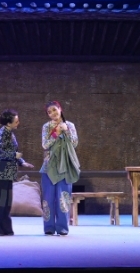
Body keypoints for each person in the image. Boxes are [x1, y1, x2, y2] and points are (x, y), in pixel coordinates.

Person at [0, 109, 34, 236]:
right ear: (8, 123)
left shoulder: (10, 133)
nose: (18, 123)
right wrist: (16, 156)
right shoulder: (1, 133)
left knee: (6, 202)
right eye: (16, 121)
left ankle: (5, 228)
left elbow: (14, 152)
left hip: (6, 172)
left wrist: (22, 161)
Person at [40, 100, 79, 236]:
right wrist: (56, 132)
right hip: (49, 166)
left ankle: (62, 227)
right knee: (48, 198)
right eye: (49, 112)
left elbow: (74, 143)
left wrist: (66, 130)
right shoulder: (46, 126)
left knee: (64, 197)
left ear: (60, 109)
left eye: (54, 110)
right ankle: (49, 227)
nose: (52, 113)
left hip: (65, 166)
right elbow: (45, 145)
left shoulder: (70, 125)